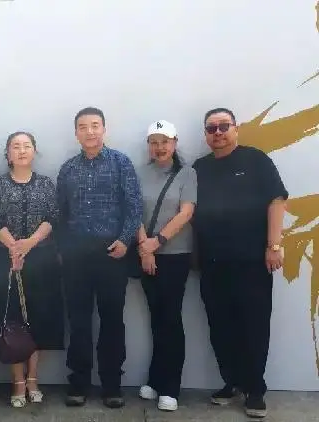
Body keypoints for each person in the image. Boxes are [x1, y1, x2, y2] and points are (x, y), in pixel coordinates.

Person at [192, 108, 288, 419]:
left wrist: (274, 245)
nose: (218, 133)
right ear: (206, 134)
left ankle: (255, 389)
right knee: (220, 325)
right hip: (211, 262)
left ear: (236, 128)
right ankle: (231, 382)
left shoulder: (256, 160)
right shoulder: (199, 168)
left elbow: (277, 200)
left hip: (252, 260)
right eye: (211, 128)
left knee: (254, 325)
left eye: (224, 126)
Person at [57, 107, 143, 408]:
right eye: (83, 127)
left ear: (104, 129)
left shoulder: (121, 162)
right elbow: (60, 213)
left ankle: (111, 385)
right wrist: (63, 249)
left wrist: (125, 240)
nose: (90, 131)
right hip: (76, 256)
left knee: (112, 321)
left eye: (95, 125)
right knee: (78, 321)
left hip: (112, 253)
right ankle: (78, 383)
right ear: (76, 133)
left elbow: (134, 206)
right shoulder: (68, 169)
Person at [0, 131, 64, 408]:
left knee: (37, 320)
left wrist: (29, 243)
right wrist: (14, 248)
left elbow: (52, 217)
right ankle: (17, 381)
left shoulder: (45, 183)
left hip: (40, 259)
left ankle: (33, 379)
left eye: (26, 146)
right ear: (8, 153)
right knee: (13, 321)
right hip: (6, 260)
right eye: (15, 146)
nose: (21, 151)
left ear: (34, 151)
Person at [135, 120, 197, 412]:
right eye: (154, 142)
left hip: (175, 255)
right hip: (145, 253)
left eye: (165, 141)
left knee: (170, 318)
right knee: (156, 318)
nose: (160, 147)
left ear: (175, 143)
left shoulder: (187, 173)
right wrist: (144, 248)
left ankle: (170, 387)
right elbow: (135, 212)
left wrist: (157, 242)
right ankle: (155, 379)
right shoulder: (139, 173)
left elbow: (186, 213)